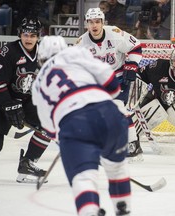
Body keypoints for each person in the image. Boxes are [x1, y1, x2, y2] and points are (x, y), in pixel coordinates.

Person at [32, 35, 131, 216]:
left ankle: (90, 211)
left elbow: (50, 128)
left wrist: (67, 143)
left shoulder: (37, 84)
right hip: (109, 113)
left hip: (73, 124)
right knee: (117, 169)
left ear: (40, 57)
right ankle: (123, 209)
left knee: (84, 178)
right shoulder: (75, 53)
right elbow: (111, 83)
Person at [0, 17, 51, 183]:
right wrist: (9, 105)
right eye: (25, 34)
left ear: (38, 36)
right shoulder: (9, 50)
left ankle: (27, 165)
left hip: (23, 101)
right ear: (20, 34)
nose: (29, 38)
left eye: (33, 35)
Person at [76, 8, 143, 161]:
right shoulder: (81, 44)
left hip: (118, 77)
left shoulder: (115, 34)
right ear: (87, 24)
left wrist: (132, 65)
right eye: (91, 22)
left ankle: (133, 144)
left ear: (103, 22)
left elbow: (136, 46)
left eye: (98, 21)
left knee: (118, 107)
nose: (95, 25)